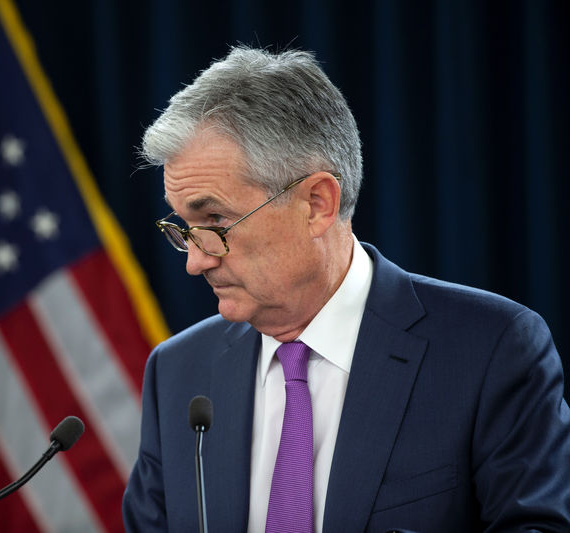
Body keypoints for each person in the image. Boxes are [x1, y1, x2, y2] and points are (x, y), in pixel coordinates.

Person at [122, 46, 570, 532]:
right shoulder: (178, 371)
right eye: (182, 227)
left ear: (317, 203)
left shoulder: (491, 350)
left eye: (215, 221)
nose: (195, 260)